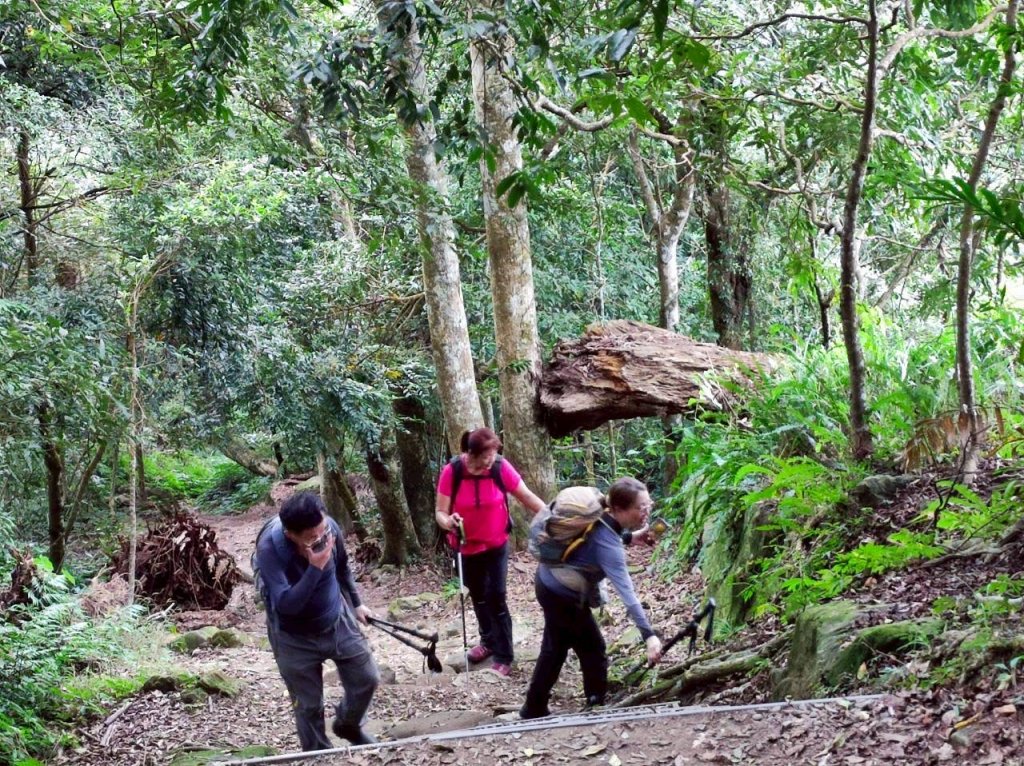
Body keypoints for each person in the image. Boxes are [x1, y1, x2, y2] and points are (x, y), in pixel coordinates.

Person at [520, 477, 663, 719]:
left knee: (557, 648)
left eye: (648, 505)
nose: (646, 511)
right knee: (591, 648)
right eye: (640, 507)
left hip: (550, 583)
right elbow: (628, 594)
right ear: (618, 509)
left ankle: (535, 707)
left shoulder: (600, 515)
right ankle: (594, 705)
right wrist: (649, 636)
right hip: (561, 594)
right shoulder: (608, 542)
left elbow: (592, 541)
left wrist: (630, 537)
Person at [255, 492, 380, 750]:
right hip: (292, 635)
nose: (322, 538)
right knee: (308, 706)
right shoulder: (269, 549)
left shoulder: (329, 527)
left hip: (336, 620)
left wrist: (356, 604)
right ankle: (318, 754)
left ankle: (348, 724)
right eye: (312, 537)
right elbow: (286, 604)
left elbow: (343, 565)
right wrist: (315, 567)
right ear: (291, 535)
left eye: (323, 530)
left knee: (367, 678)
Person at [434, 427, 547, 677]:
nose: (491, 460)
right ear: (471, 454)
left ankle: (504, 655)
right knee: (478, 596)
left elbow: (526, 496)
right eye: (487, 456)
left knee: (496, 595)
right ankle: (487, 642)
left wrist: (551, 516)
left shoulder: (499, 468)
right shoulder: (452, 471)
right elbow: (440, 512)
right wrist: (448, 521)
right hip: (465, 546)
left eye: (494, 454)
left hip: (496, 545)